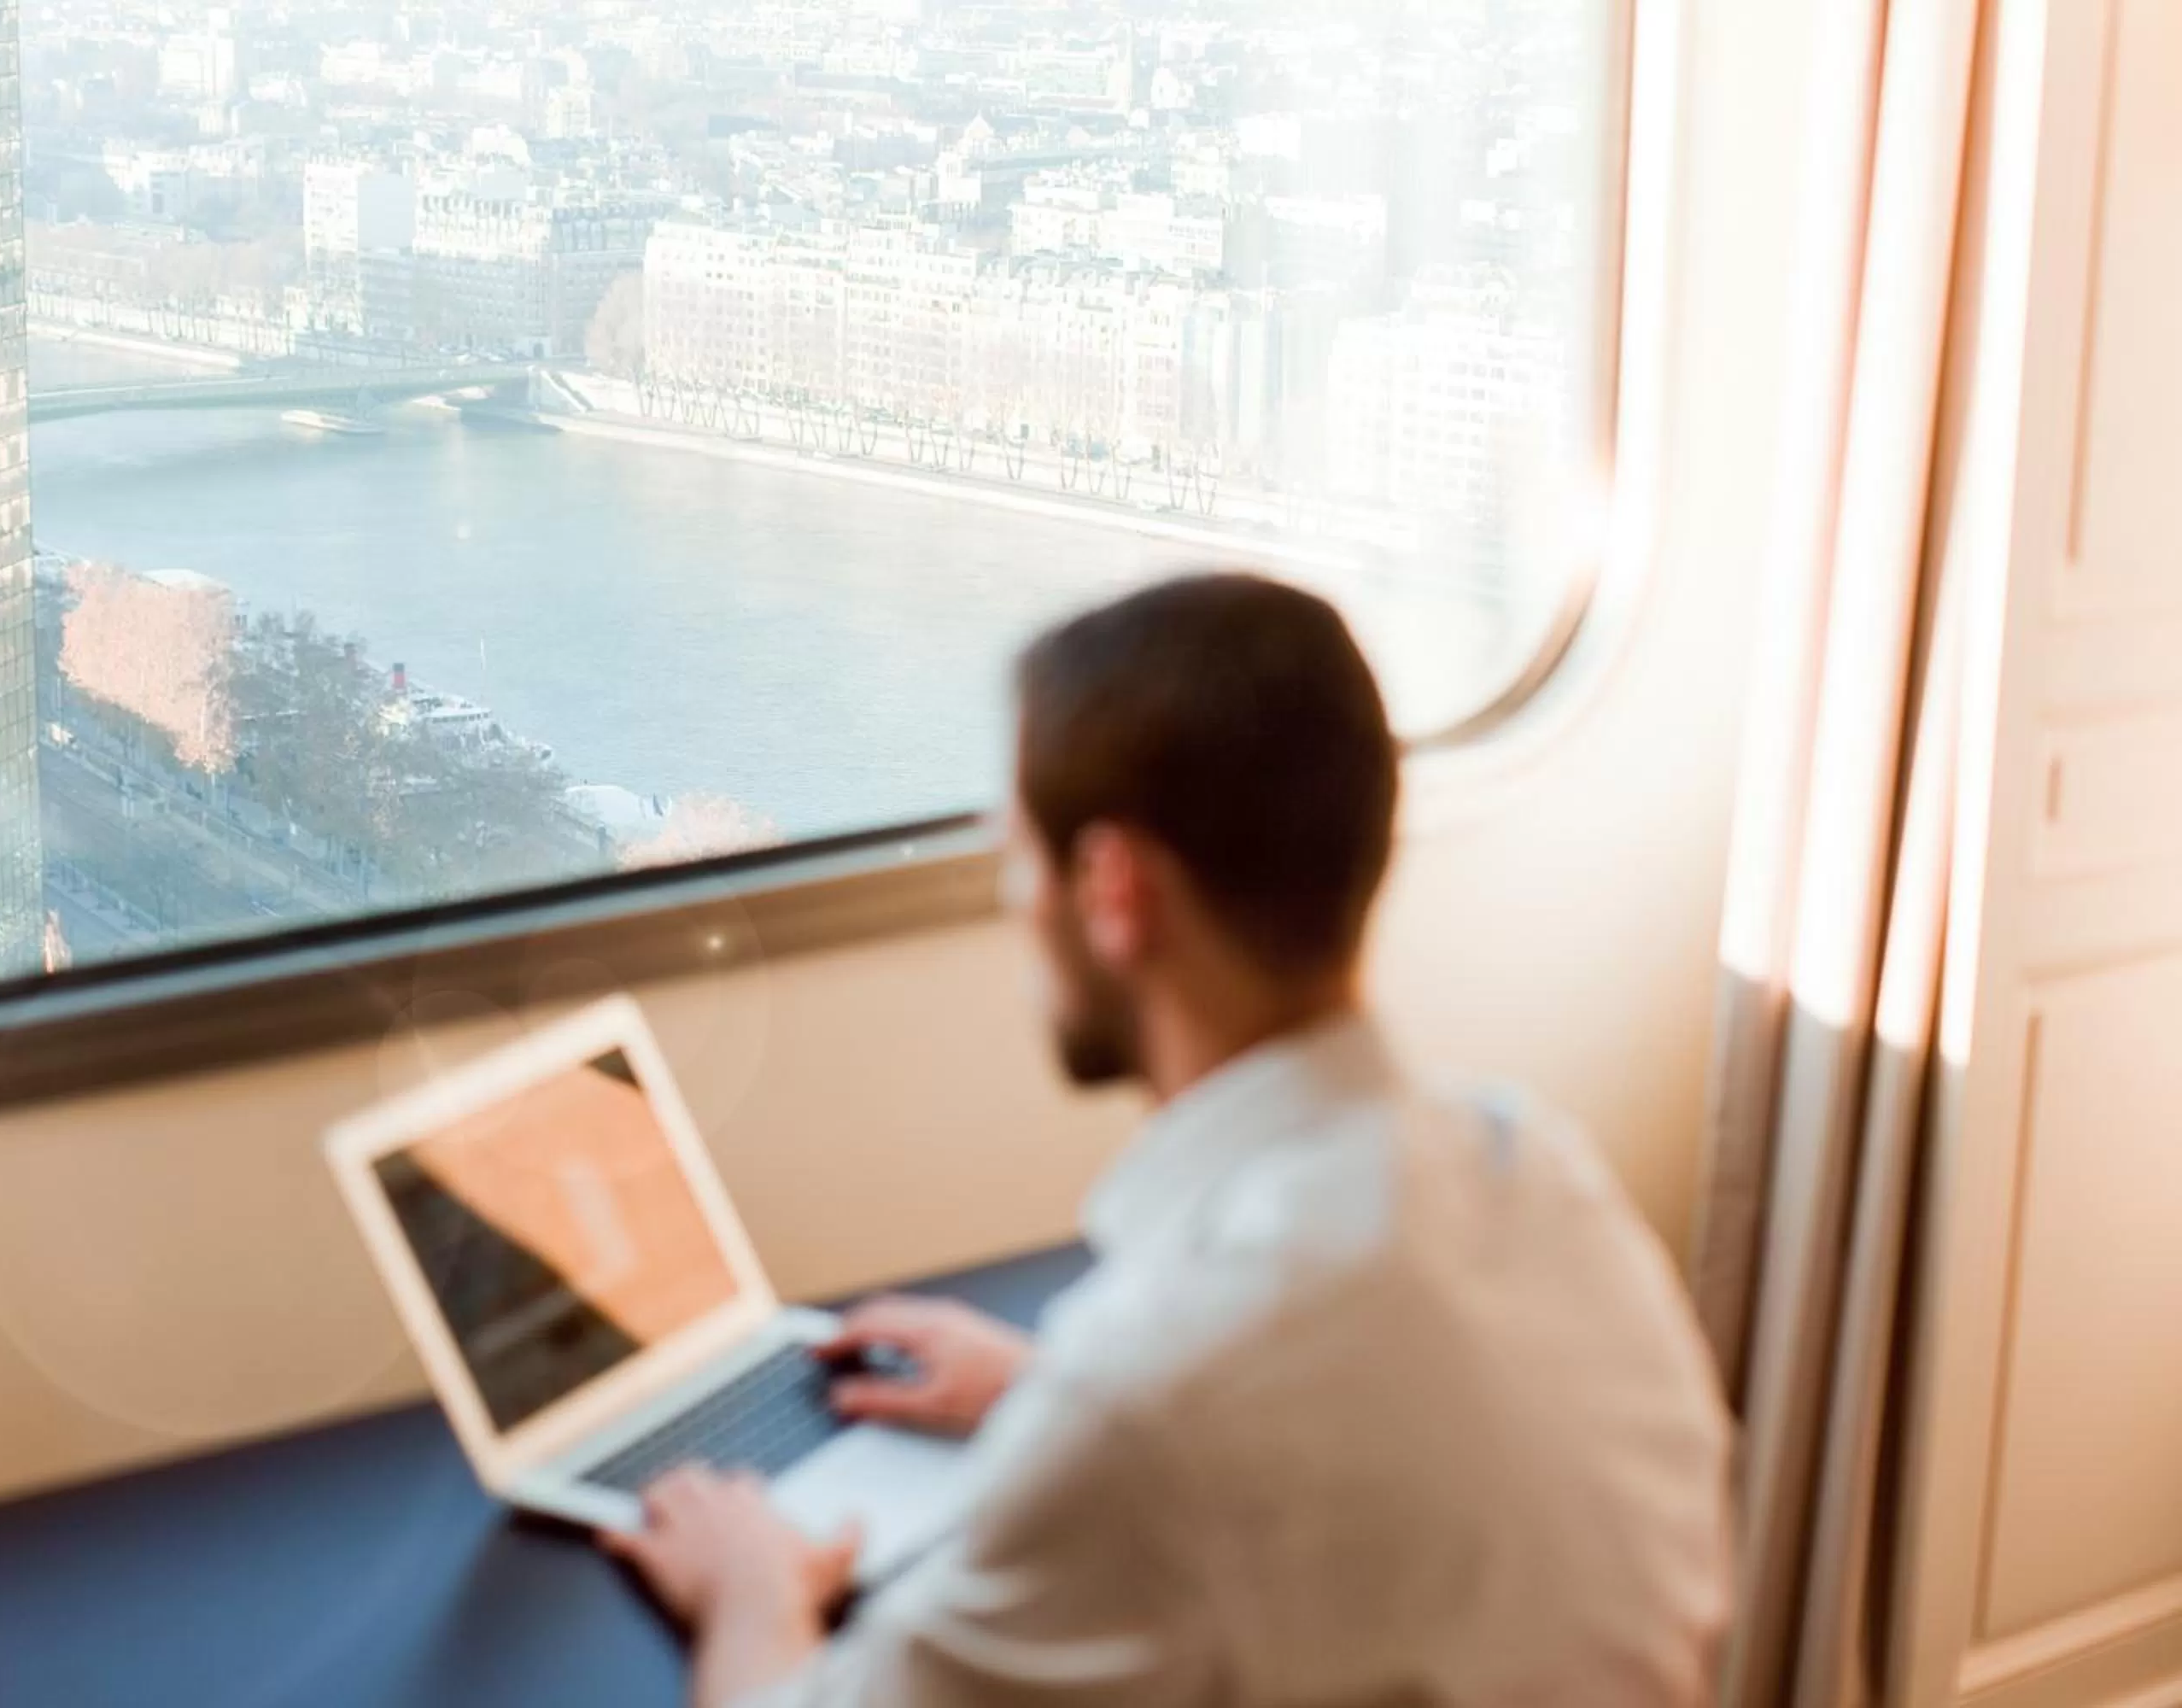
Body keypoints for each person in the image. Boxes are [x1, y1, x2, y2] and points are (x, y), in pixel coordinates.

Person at [602, 572, 1734, 1706]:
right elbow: (1391, 1451)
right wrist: (1043, 1395)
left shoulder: (1153, 1398)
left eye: (1021, 857)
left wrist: (754, 1589)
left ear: (1112, 890)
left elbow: (1191, 1417)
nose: (1014, 902)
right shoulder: (1531, 1165)